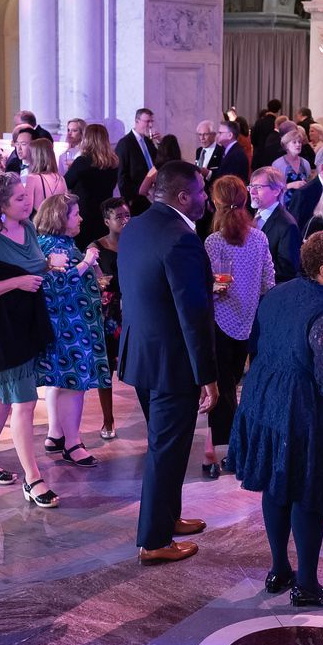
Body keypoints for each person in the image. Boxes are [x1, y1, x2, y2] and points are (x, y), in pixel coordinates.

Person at [230, 231, 323, 607]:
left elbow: (256, 343)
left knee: (277, 485)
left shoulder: (279, 292)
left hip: (263, 399)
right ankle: (306, 585)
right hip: (303, 408)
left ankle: (279, 570)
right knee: (307, 492)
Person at [118, 161, 218, 563]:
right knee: (165, 449)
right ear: (182, 197)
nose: (205, 199)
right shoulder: (181, 239)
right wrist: (207, 375)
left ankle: (169, 516)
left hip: (142, 356)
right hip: (171, 363)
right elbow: (192, 314)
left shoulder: (136, 226)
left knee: (169, 448)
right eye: (200, 192)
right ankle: (155, 540)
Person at [0, 174, 57, 505]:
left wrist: (48, 265)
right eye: (19, 198)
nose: (27, 201)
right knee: (24, 402)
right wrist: (16, 283)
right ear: (0, 204)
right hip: (3, 328)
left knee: (4, 396)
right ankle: (33, 478)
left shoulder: (28, 228)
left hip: (28, 322)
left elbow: (32, 267)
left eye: (26, 195)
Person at [201, 175, 276, 479]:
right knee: (244, 388)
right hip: (252, 321)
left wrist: (215, 290)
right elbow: (269, 282)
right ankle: (243, 450)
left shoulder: (212, 241)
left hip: (220, 321)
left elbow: (210, 285)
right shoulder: (259, 237)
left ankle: (221, 455)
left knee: (222, 390)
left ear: (215, 202)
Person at [33, 193, 109, 468]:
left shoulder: (58, 242)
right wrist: (88, 261)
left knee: (60, 381)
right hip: (67, 326)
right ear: (60, 218)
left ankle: (56, 434)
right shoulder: (53, 245)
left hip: (69, 323)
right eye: (75, 214)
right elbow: (59, 283)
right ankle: (73, 444)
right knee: (73, 385)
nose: (80, 218)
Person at [93, 198, 130, 441]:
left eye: (128, 215)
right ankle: (108, 418)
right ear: (107, 221)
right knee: (105, 367)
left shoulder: (136, 241)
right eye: (119, 217)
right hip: (108, 312)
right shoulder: (95, 247)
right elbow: (91, 278)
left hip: (133, 307)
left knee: (135, 361)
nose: (126, 220)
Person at [65, 122, 122, 246]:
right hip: (104, 213)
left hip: (84, 214)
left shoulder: (81, 162)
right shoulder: (113, 163)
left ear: (87, 139)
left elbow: (66, 183)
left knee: (83, 251)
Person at [250, 167, 301, 284]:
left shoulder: (287, 225)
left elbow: (287, 271)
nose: (252, 192)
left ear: (276, 191)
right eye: (251, 186)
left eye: (258, 187)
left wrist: (251, 272)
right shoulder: (253, 215)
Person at [115, 107, 159, 214]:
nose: (150, 125)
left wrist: (159, 143)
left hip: (152, 197)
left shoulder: (149, 141)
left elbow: (157, 164)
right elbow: (121, 176)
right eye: (147, 121)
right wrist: (129, 199)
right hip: (136, 199)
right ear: (137, 121)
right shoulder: (125, 143)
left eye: (151, 121)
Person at [22, 138, 67, 211]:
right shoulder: (61, 178)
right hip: (59, 221)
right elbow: (66, 206)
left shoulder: (33, 178)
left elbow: (26, 210)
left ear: (35, 157)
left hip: (38, 221)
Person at [275, 126, 313, 209]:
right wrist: (290, 185)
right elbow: (273, 188)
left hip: (302, 205)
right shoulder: (278, 164)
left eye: (299, 142)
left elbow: (310, 183)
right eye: (294, 142)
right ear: (286, 145)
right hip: (284, 206)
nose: (298, 145)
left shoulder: (305, 163)